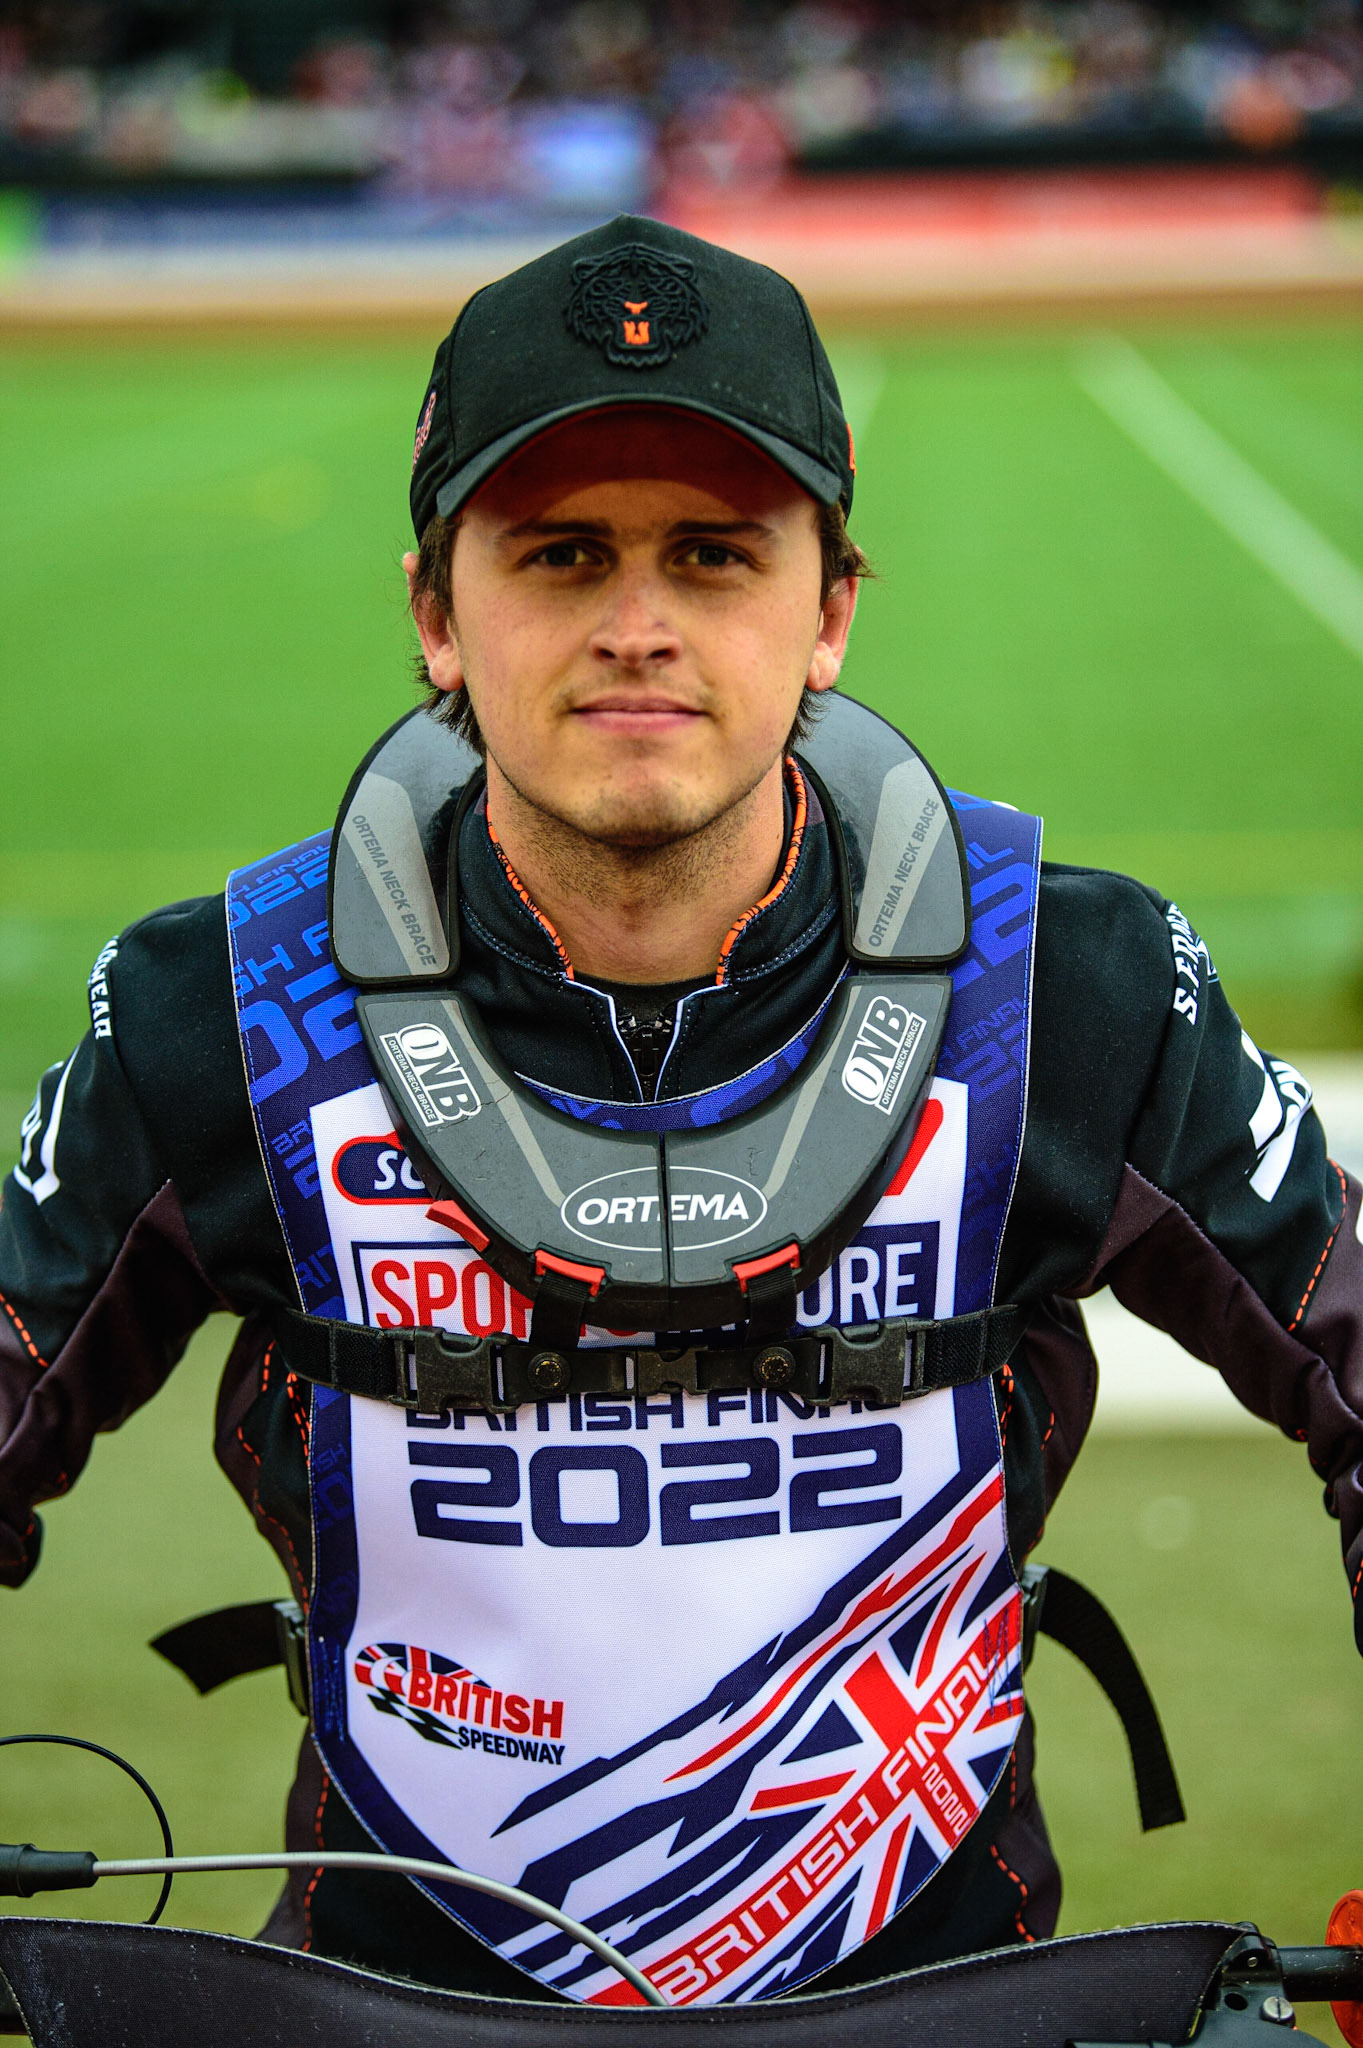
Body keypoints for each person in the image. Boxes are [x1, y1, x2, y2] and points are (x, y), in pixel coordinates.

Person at [0, 214, 1358, 2011]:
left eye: (715, 555)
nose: (637, 627)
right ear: (435, 613)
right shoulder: (211, 1014)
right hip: (401, 1993)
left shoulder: (1075, 986)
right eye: (560, 556)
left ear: (830, 611)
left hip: (934, 1987)